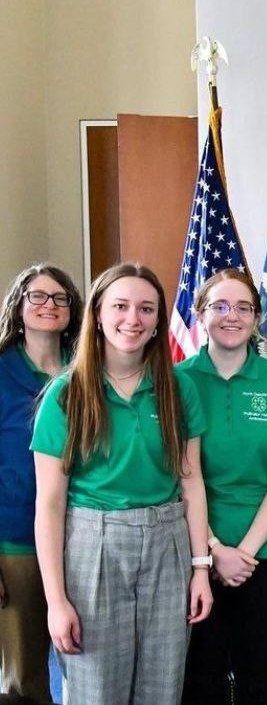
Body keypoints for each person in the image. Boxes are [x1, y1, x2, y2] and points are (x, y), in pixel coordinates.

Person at [31, 262, 211, 704]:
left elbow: (192, 483)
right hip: (94, 544)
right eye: (121, 306)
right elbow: (49, 506)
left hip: (167, 542)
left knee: (162, 685)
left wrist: (201, 568)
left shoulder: (177, 388)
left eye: (146, 309)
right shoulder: (66, 394)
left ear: (157, 322)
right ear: (97, 314)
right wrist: (56, 601)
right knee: (96, 689)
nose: (133, 319)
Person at [180, 268, 267, 704]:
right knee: (202, 674)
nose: (231, 316)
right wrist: (214, 550)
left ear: (256, 319)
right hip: (195, 547)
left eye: (243, 308)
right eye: (219, 306)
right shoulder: (176, 382)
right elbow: (181, 476)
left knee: (262, 674)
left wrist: (245, 553)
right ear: (200, 314)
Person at [0, 264, 81, 704]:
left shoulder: (89, 368)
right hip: (15, 545)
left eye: (60, 298)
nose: (49, 305)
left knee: (83, 662)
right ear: (18, 307)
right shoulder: (1, 371)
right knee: (25, 677)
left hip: (84, 538)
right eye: (37, 297)